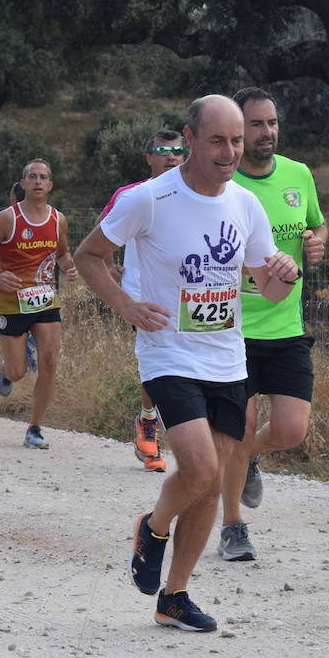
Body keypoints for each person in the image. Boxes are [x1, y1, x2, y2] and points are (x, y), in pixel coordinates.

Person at [75, 94, 299, 633]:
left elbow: (265, 287)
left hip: (226, 356)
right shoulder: (151, 199)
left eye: (238, 141)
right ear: (190, 138)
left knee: (215, 476)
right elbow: (88, 255)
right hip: (167, 351)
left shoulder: (246, 204)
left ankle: (174, 596)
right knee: (198, 468)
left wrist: (284, 272)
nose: (229, 151)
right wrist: (125, 305)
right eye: (218, 140)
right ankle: (153, 527)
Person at [216, 87, 329, 562]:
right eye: (257, 125)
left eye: (272, 123)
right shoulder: (223, 186)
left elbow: (317, 225)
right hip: (235, 332)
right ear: (239, 133)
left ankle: (250, 456)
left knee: (291, 431)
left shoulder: (299, 175)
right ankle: (232, 527)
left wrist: (317, 242)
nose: (267, 133)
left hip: (286, 329)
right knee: (235, 430)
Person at [0, 159, 78, 450]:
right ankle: (6, 370)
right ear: (24, 184)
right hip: (11, 302)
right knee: (18, 372)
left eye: (43, 177)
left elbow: (63, 253)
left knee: (50, 361)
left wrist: (70, 266)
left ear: (50, 185)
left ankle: (35, 428)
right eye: (33, 177)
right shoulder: (8, 218)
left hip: (44, 299)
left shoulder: (58, 220)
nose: (38, 181)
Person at [100, 129, 187, 472]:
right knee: (160, 356)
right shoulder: (130, 195)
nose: (170, 156)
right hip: (144, 293)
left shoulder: (199, 193)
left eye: (177, 151)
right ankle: (150, 425)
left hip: (190, 292)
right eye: (162, 150)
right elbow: (100, 238)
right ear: (148, 158)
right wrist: (111, 272)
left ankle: (160, 420)